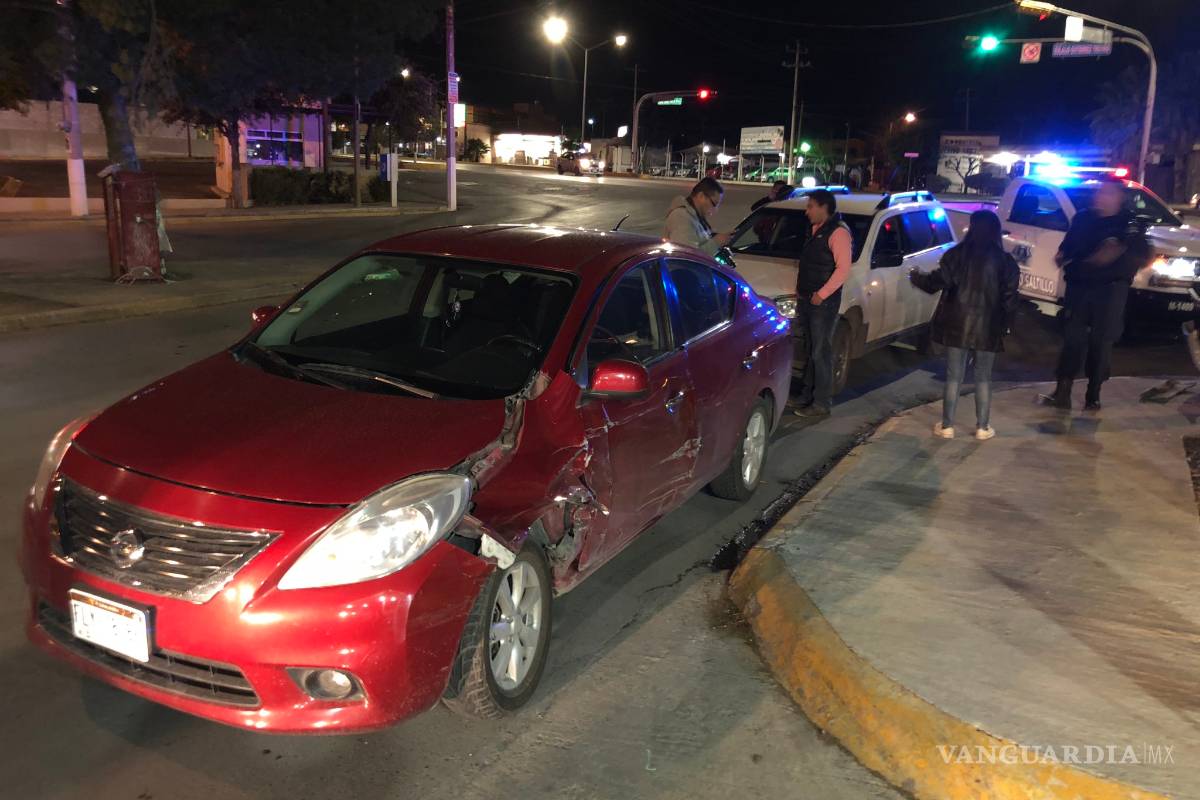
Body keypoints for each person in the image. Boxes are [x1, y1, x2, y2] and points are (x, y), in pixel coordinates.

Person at [1044, 177, 1152, 410]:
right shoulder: (1083, 218)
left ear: (1120, 198)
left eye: (1108, 193)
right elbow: (1068, 246)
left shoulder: (1128, 224)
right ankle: (1062, 391)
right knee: (1072, 339)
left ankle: (1093, 394)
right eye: (1100, 192)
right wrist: (1063, 255)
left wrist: (1117, 254)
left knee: (1102, 342)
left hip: (1110, 291)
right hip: (1079, 287)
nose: (1101, 197)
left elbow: (1142, 255)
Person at [911, 210, 1020, 440]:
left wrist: (917, 277)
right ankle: (982, 426)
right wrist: (1006, 324)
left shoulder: (956, 255)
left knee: (954, 376)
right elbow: (1009, 299)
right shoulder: (1005, 262)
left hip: (956, 323)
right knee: (983, 376)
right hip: (988, 326)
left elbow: (937, 282)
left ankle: (947, 426)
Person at [793, 189, 852, 418]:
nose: (807, 211)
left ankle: (821, 402)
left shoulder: (838, 233)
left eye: (810, 207)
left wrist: (822, 294)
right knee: (811, 350)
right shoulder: (817, 230)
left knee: (821, 352)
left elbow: (843, 269)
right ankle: (807, 395)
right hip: (808, 299)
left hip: (822, 303)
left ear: (823, 207)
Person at [664, 177, 732, 256]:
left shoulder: (696, 218)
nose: (715, 210)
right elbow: (687, 255)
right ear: (701, 196)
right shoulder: (681, 217)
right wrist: (716, 242)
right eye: (714, 204)